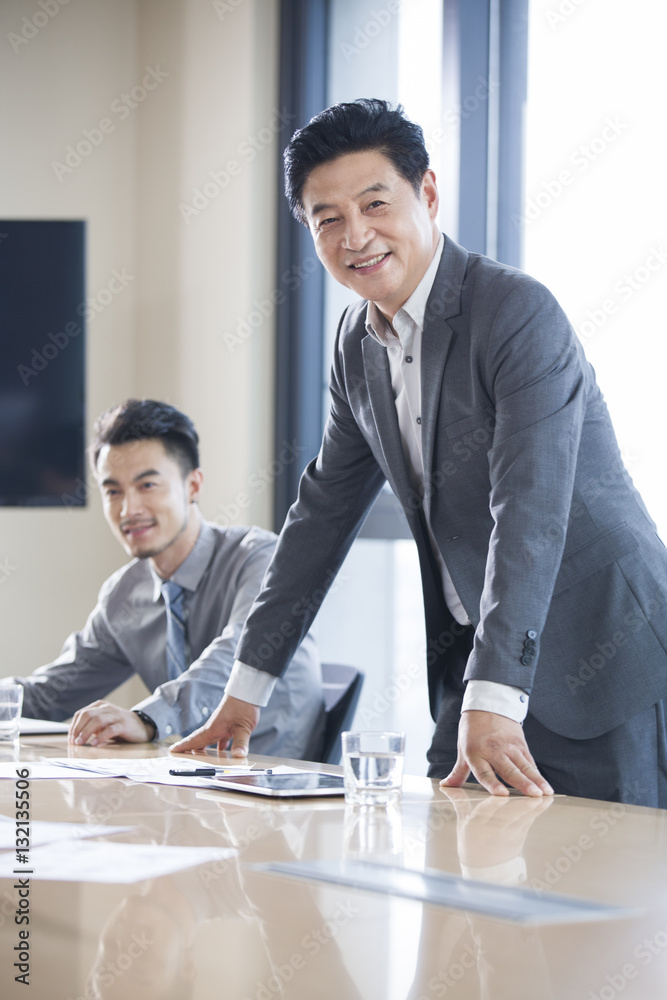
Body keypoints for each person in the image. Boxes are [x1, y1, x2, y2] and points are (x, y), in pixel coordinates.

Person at [174, 99, 667, 806]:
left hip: (598, 651)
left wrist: (496, 694)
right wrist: (246, 690)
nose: (356, 236)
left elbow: (529, 508)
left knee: (606, 898)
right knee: (466, 889)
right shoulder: (356, 345)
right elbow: (320, 517)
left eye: (375, 204)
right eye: (328, 219)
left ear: (427, 194)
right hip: (472, 669)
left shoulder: (514, 312)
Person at [3, 399, 323, 758]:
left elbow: (235, 657)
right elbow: (51, 694)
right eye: (113, 491)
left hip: (276, 779)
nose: (129, 509)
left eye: (147, 485)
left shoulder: (261, 559)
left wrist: (146, 718)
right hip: (188, 783)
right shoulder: (126, 594)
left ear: (192, 486)